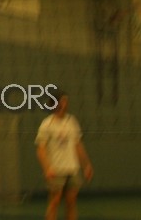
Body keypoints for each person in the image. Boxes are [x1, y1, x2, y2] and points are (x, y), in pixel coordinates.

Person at [36, 91, 93, 220]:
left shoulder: (72, 121)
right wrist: (47, 168)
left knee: (71, 201)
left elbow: (78, 145)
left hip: (73, 168)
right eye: (62, 101)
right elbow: (40, 149)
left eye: (65, 101)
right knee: (54, 202)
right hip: (56, 169)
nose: (64, 104)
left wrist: (86, 165)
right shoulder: (47, 124)